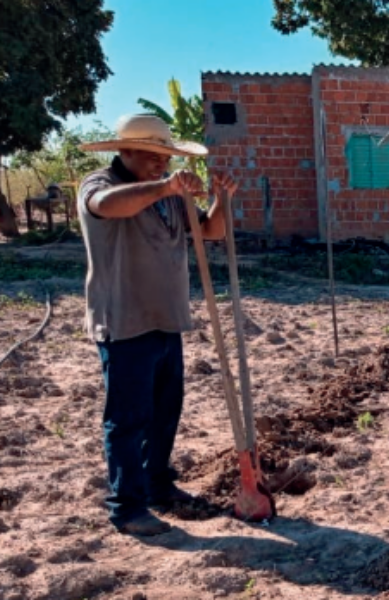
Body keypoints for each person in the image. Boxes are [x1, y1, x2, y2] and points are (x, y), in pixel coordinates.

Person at [78, 114, 238, 536]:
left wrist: (220, 199)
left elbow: (209, 232)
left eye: (165, 157)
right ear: (124, 151)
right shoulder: (100, 185)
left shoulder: (171, 195)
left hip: (166, 319)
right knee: (127, 419)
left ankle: (157, 486)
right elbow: (108, 207)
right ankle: (127, 508)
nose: (160, 164)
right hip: (125, 321)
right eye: (152, 156)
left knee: (165, 412)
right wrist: (164, 187)